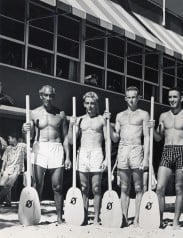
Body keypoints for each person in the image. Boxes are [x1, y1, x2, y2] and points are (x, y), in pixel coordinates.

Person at [22, 85, 71, 224]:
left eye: (51, 96)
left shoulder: (60, 114)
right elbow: (28, 135)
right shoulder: (34, 113)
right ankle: (34, 215)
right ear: (41, 96)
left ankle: (60, 218)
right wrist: (23, 129)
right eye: (46, 95)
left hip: (56, 147)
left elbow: (66, 137)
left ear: (53, 97)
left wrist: (68, 157)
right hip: (40, 147)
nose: (48, 98)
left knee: (58, 186)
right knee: (38, 184)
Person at [149, 87, 183, 229]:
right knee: (160, 188)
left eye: (175, 97)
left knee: (179, 188)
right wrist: (152, 129)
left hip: (182, 151)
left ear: (181, 98)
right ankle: (159, 219)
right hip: (167, 150)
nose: (172, 100)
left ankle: (176, 221)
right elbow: (158, 138)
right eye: (170, 97)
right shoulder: (163, 116)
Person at [106, 86, 150, 227]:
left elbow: (147, 137)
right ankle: (124, 217)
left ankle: (137, 218)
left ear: (138, 98)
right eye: (129, 97)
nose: (131, 100)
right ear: (125, 98)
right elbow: (114, 138)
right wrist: (108, 125)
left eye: (134, 97)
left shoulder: (143, 114)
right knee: (124, 188)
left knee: (138, 187)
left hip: (137, 150)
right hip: (123, 150)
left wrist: (146, 158)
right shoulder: (120, 116)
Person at [68, 91, 107, 225]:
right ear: (84, 104)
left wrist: (107, 159)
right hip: (83, 153)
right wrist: (70, 125)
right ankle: (83, 216)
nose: (90, 106)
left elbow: (108, 141)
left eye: (92, 103)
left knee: (96, 188)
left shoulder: (102, 119)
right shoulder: (79, 120)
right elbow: (72, 141)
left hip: (97, 152)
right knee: (84, 188)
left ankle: (96, 217)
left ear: (96, 104)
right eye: (87, 103)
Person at [0, 132, 26, 206]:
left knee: (9, 185)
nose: (8, 140)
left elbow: (28, 144)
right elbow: (4, 160)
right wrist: (2, 169)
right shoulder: (8, 148)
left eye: (9, 138)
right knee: (2, 185)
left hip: (16, 169)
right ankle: (8, 202)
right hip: (8, 168)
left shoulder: (21, 146)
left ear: (14, 139)